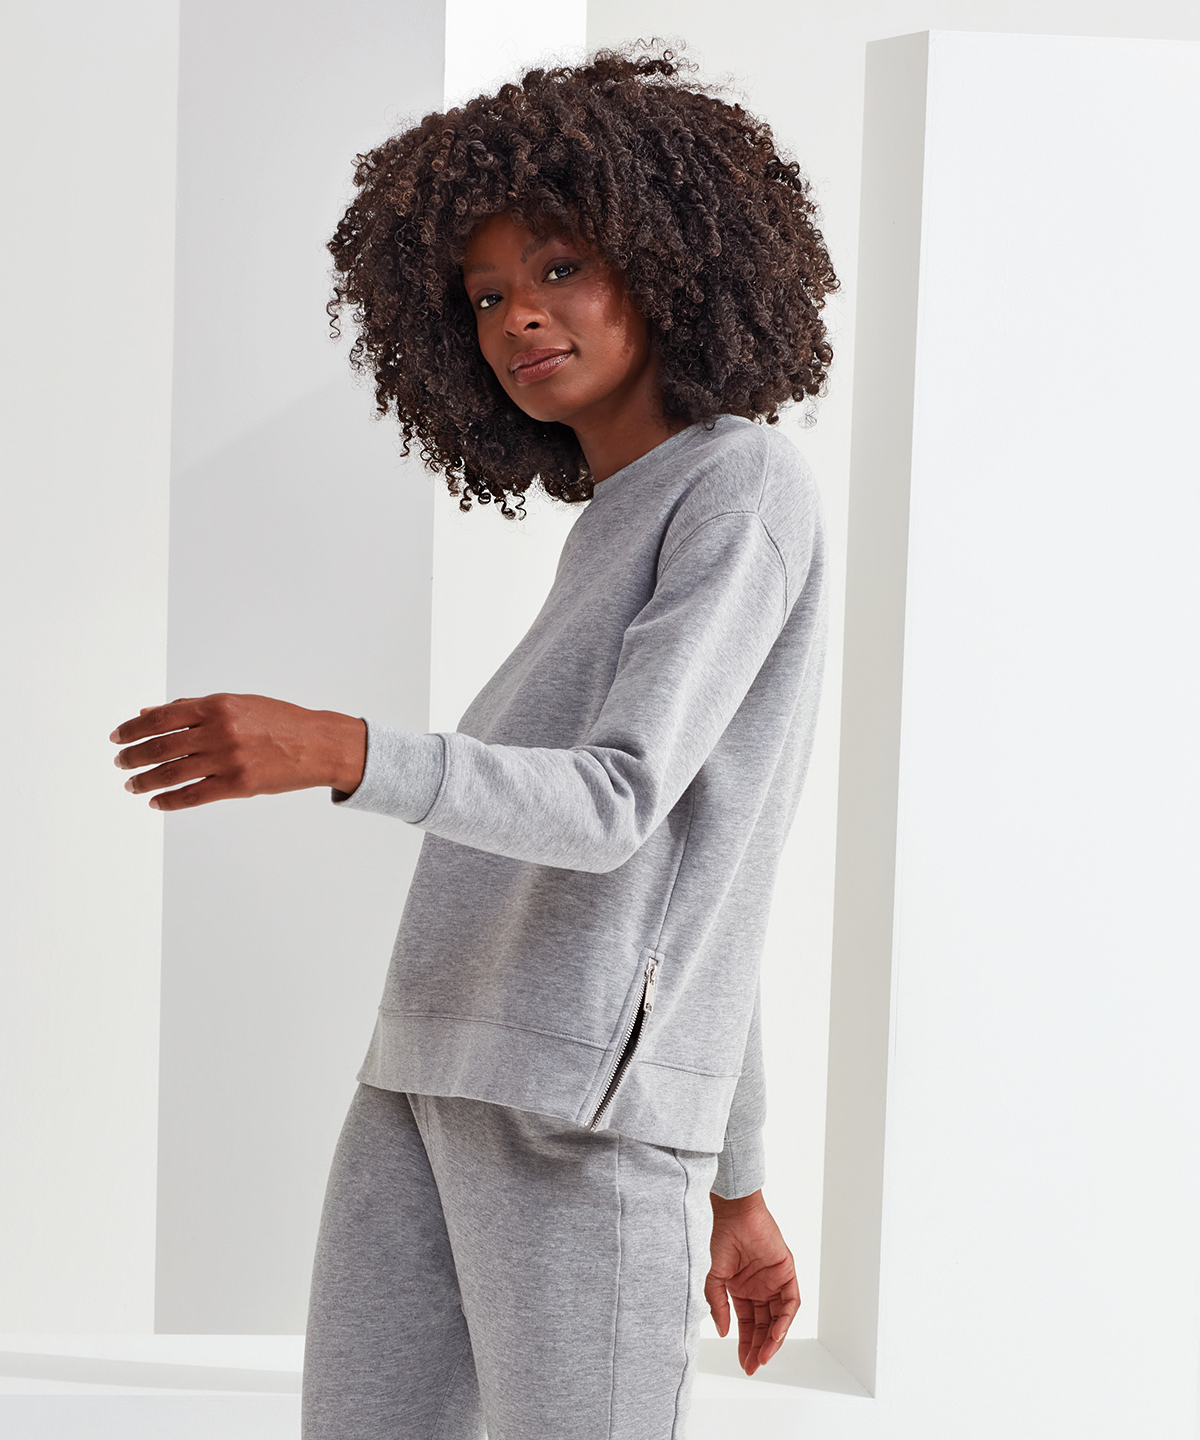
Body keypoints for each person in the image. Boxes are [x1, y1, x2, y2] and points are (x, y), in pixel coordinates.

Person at [109, 43, 837, 1440]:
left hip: (577, 1116)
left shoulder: (741, 486)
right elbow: (701, 871)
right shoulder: (618, 517)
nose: (520, 317)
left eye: (560, 268)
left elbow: (623, 807)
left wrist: (346, 750)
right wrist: (741, 1186)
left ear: (668, 260)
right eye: (487, 293)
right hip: (422, 1075)